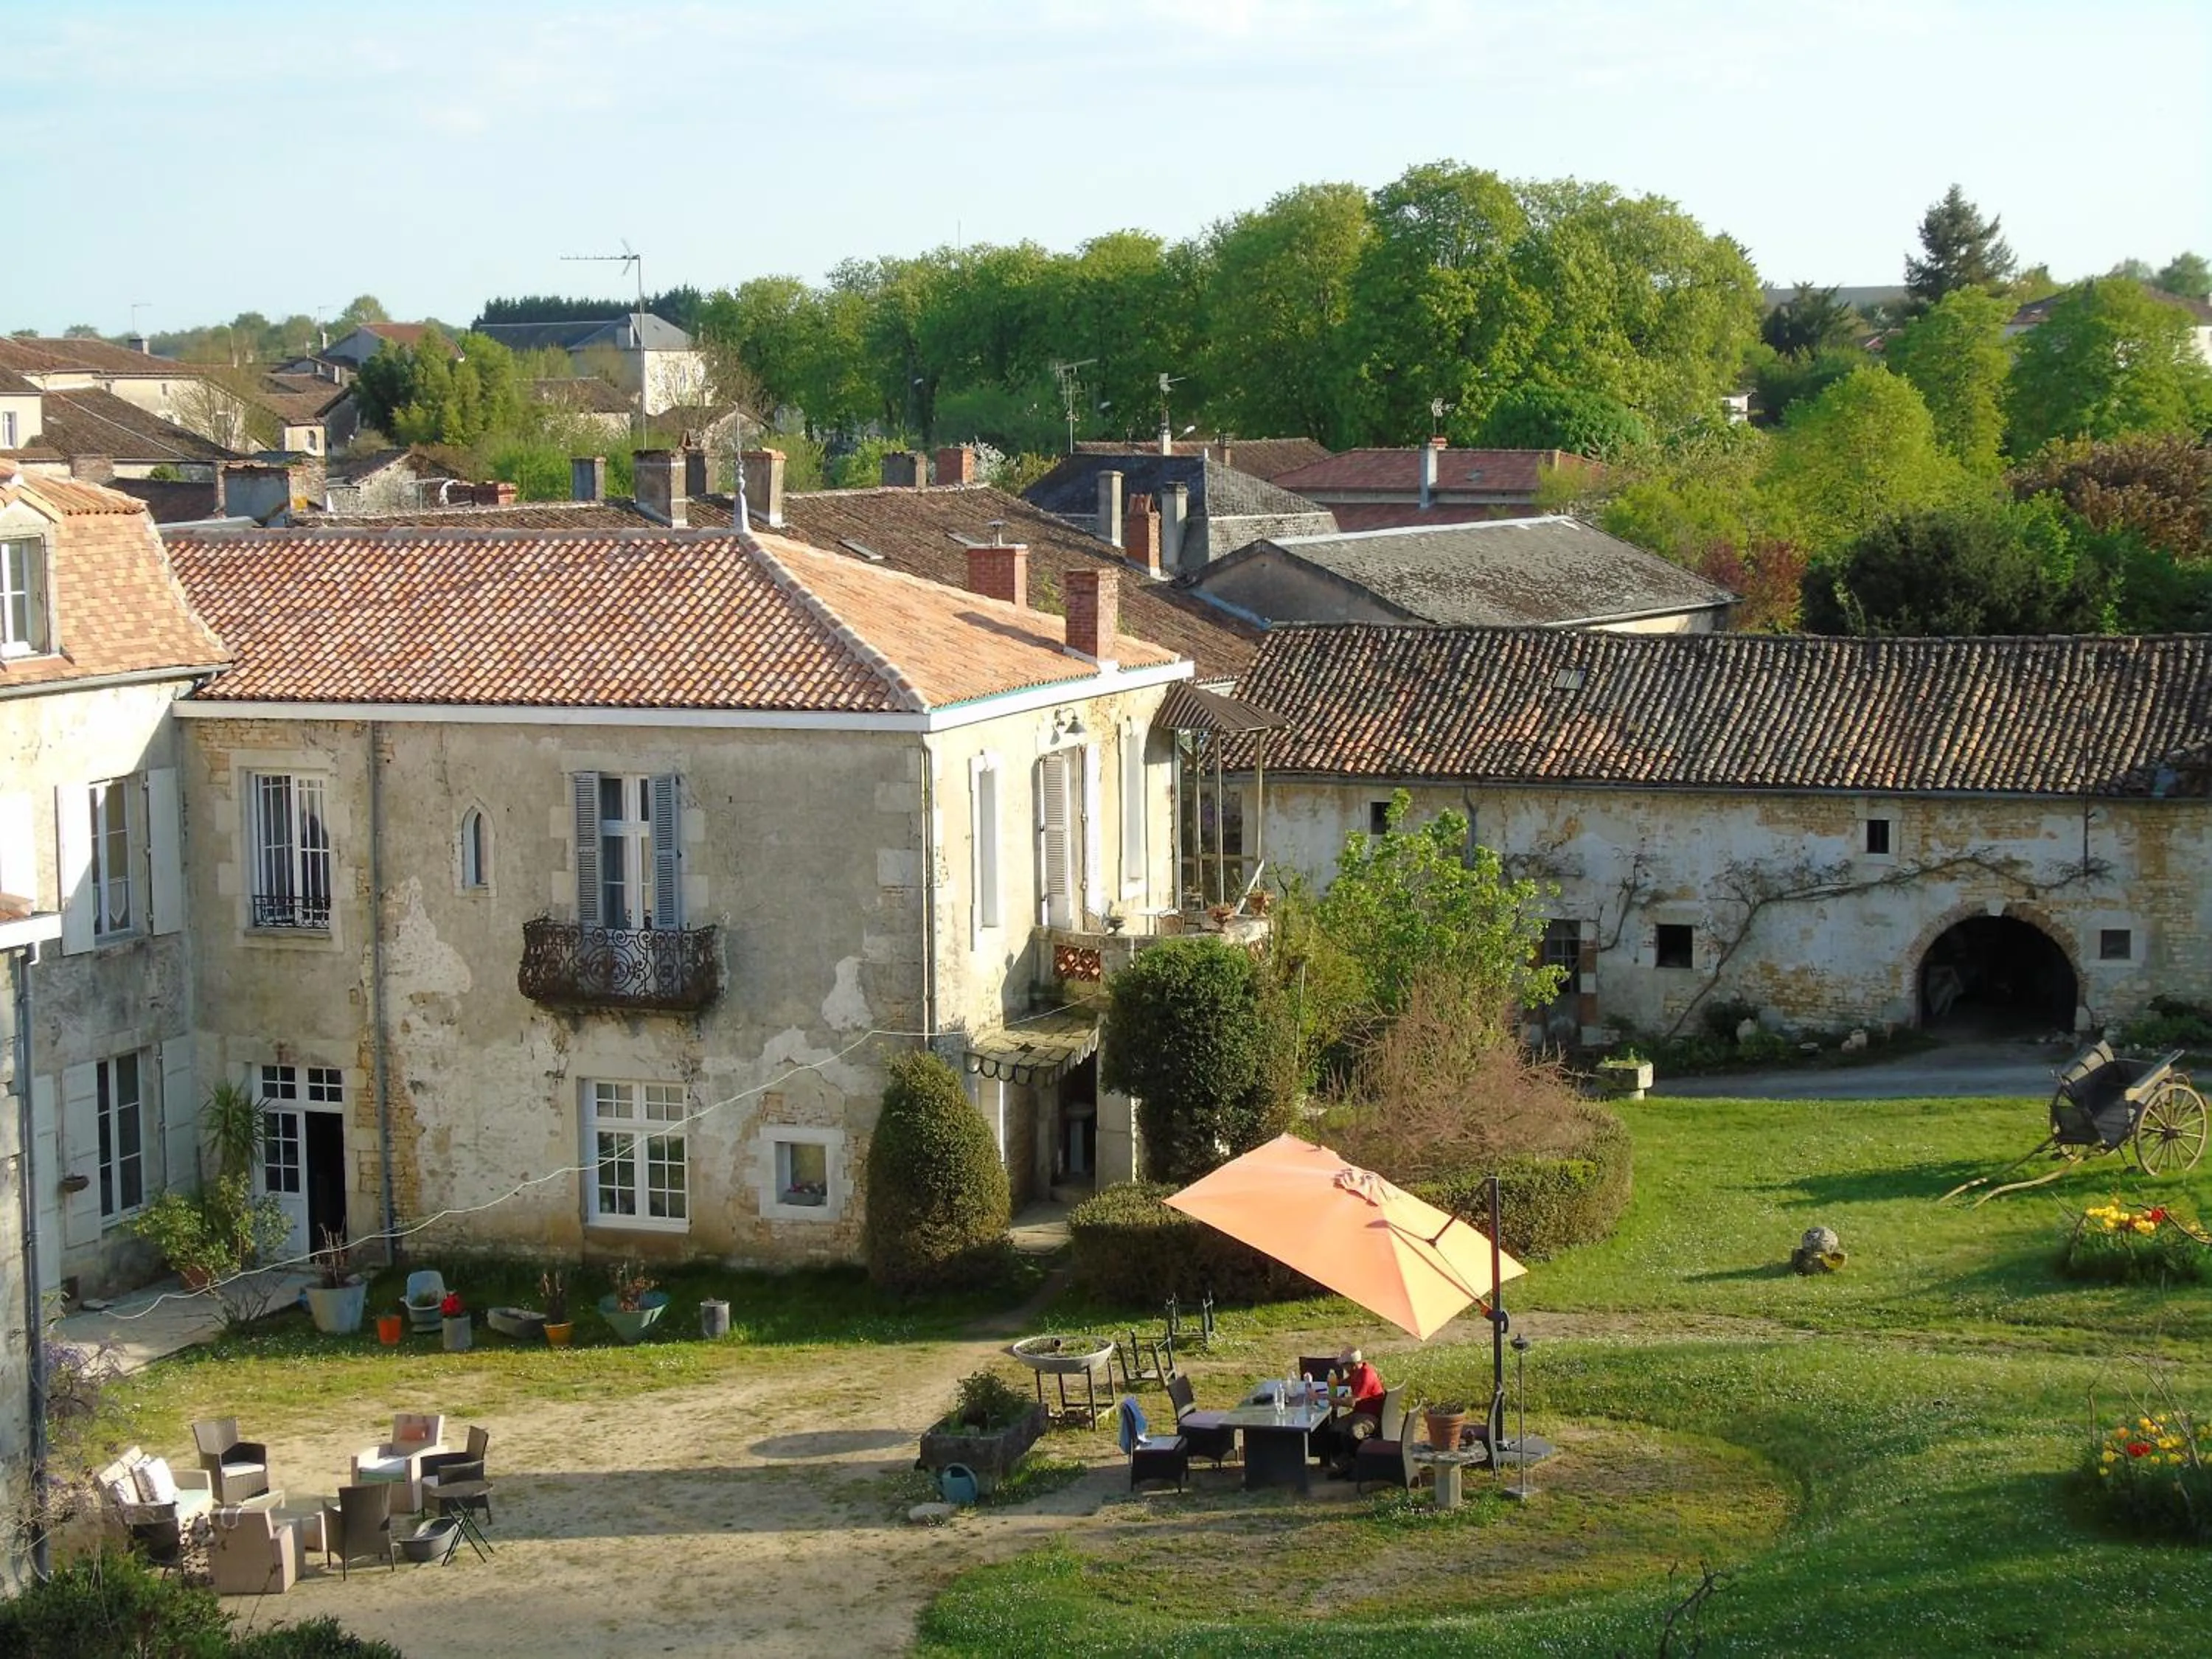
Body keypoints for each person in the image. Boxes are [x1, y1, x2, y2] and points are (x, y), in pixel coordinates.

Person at [1321, 1346, 1385, 1476]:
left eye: (1345, 1366)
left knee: (1353, 1433)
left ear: (1352, 1365)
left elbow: (1352, 1402)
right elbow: (1344, 1382)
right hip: (1359, 1413)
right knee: (1334, 1429)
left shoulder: (1366, 1375)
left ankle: (1360, 1465)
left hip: (1370, 1415)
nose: (1344, 1369)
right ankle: (1343, 1465)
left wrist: (1329, 1398)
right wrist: (1333, 1384)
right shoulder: (1356, 1373)